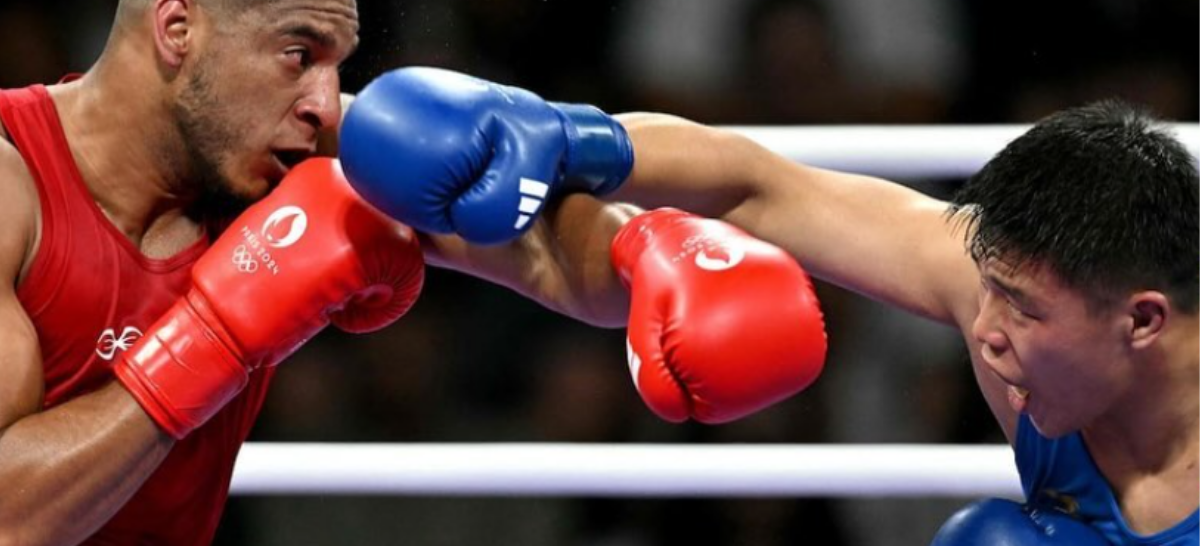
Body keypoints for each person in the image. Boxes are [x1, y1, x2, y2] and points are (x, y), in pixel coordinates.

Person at [0, 0, 827, 544]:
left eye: (336, 66)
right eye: (298, 55)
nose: (327, 103)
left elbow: (535, 247)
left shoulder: (284, 153)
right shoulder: (12, 183)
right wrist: (216, 337)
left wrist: (649, 253)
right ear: (178, 29)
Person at [342, 69, 1198, 544]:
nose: (984, 334)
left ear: (1144, 319)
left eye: (1022, 313)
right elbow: (759, 186)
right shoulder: (1007, 285)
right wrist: (570, 137)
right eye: (989, 293)